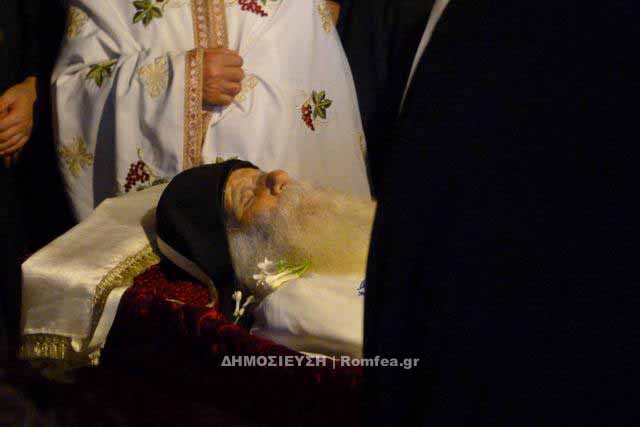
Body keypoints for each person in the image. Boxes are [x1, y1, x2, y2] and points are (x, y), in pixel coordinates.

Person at [53, 0, 370, 221]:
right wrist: (181, 79)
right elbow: (75, 91)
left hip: (281, 219)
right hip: (171, 243)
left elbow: (321, 89)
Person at [156, 159, 375, 324]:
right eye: (247, 197)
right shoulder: (294, 306)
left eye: (262, 175)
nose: (280, 176)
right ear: (242, 249)